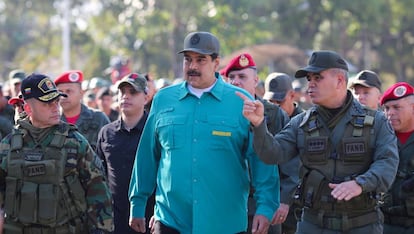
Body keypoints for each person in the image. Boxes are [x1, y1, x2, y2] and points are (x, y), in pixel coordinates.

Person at [129, 31, 279, 234]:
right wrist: (137, 202)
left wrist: (265, 206)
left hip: (225, 223)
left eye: (201, 60)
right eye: (188, 60)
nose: (192, 66)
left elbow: (261, 158)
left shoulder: (240, 101)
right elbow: (147, 155)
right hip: (171, 221)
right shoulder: (163, 99)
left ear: (216, 63)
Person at [237, 50, 399, 234]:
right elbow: (273, 153)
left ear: (339, 80)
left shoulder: (377, 122)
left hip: (361, 223)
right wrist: (259, 125)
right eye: (309, 79)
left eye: (317, 78)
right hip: (314, 223)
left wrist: (360, 183)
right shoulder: (301, 123)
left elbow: (388, 163)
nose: (310, 85)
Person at [0, 73, 113, 233]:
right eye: (47, 103)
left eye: (56, 101)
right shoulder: (8, 146)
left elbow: (99, 192)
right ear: (27, 108)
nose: (56, 107)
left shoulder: (74, 142)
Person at [221, 53, 289, 234]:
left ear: (255, 81)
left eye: (242, 77)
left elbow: (289, 160)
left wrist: (283, 200)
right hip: (230, 203)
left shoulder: (274, 114)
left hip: (265, 202)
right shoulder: (220, 114)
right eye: (231, 77)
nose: (236, 82)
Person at [96, 73, 155, 234]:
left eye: (133, 92)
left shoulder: (156, 131)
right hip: (115, 221)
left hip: (149, 220)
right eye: (122, 92)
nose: (125, 97)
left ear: (146, 97)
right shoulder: (106, 133)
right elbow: (99, 177)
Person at [380, 82, 414, 234]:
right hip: (384, 223)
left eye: (397, 107)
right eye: (387, 108)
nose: (390, 113)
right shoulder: (379, 139)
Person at [55, 70, 110, 150]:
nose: (63, 96)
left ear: (81, 93)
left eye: (69, 91)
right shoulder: (52, 120)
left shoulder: (99, 119)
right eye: (60, 92)